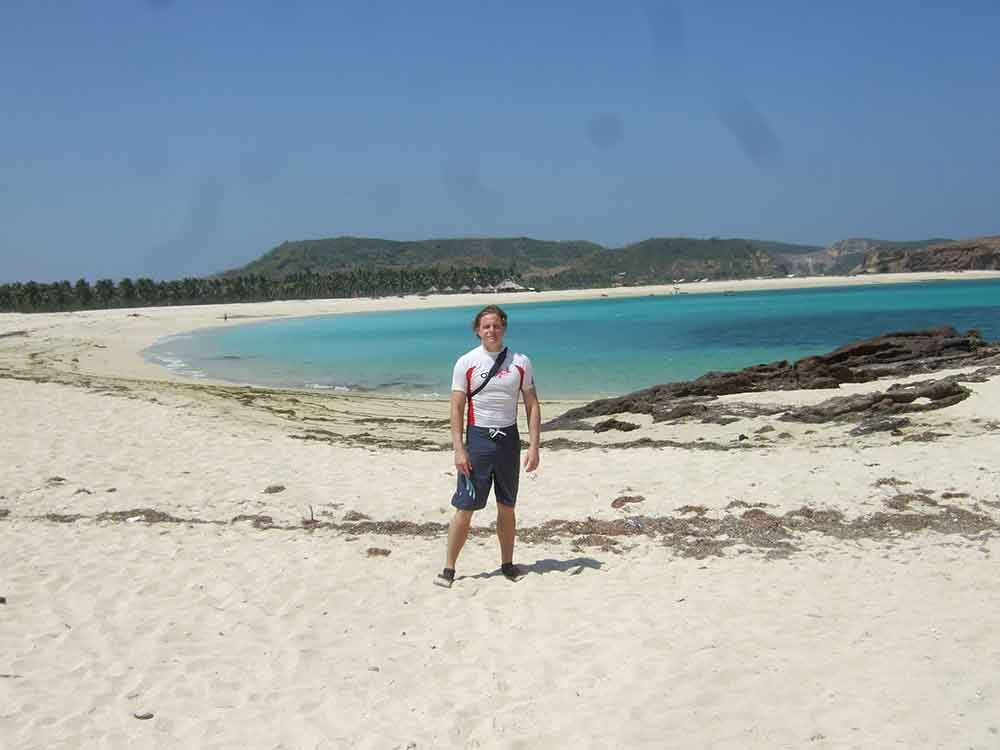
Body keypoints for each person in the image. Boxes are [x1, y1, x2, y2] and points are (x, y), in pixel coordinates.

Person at [435, 304, 540, 588]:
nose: (491, 330)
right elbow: (456, 407)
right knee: (465, 507)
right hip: (478, 441)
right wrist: (459, 448)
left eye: (496, 325)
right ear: (477, 331)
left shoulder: (521, 361)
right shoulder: (466, 362)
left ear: (503, 327)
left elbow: (531, 404)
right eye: (486, 326)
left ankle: (507, 563)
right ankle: (449, 568)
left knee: (507, 507)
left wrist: (534, 446)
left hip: (509, 442)